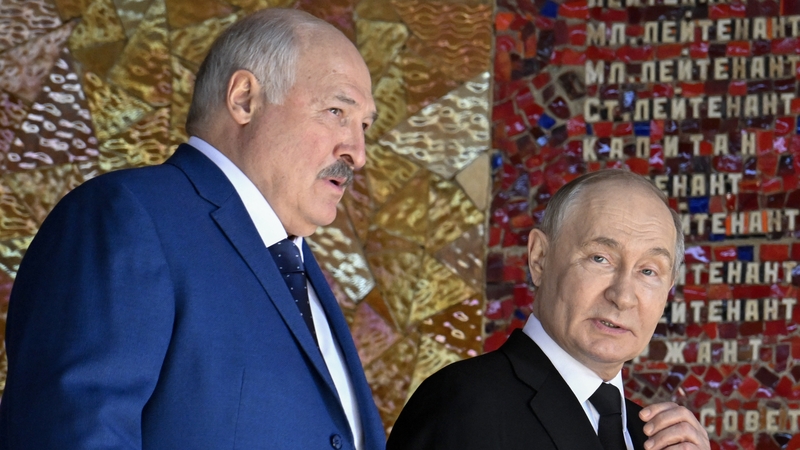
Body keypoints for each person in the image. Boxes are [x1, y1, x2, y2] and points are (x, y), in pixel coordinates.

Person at [0, 8, 385, 450]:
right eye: (337, 111)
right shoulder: (127, 217)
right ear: (244, 98)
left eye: (365, 126)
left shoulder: (294, 267)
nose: (357, 152)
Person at [387, 170, 710, 450]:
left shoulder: (649, 438)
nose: (623, 296)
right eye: (600, 258)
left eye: (648, 271)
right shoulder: (465, 403)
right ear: (539, 257)